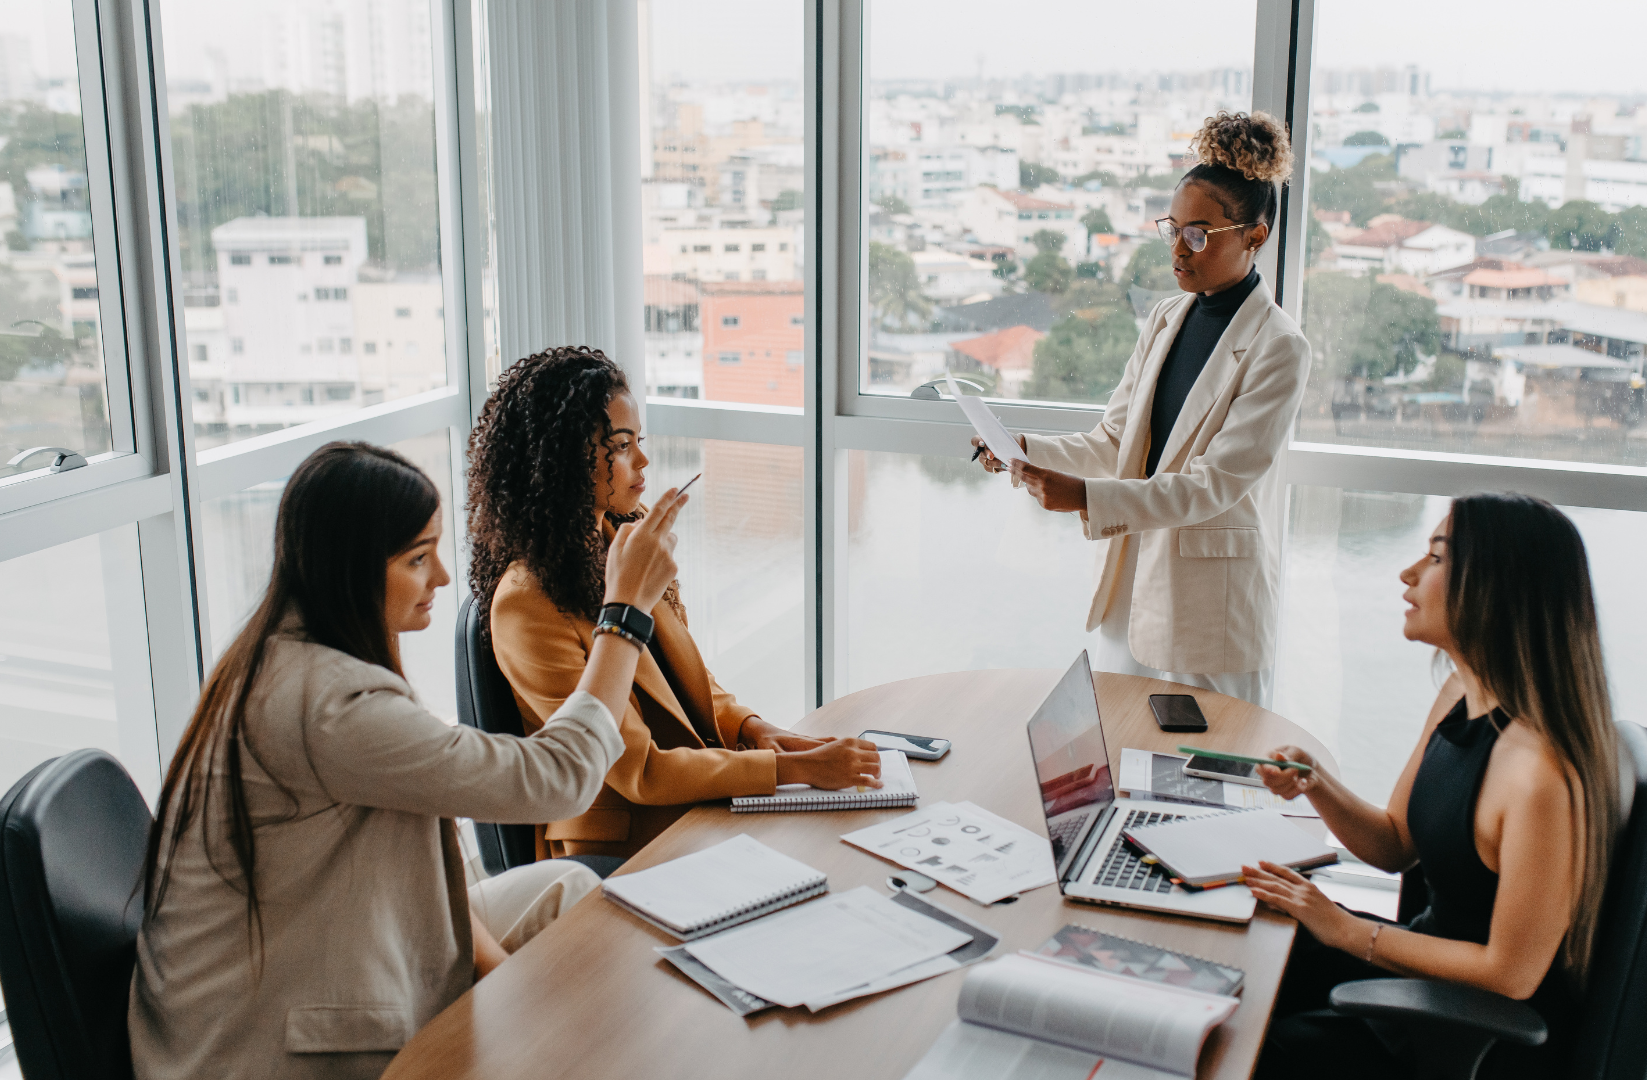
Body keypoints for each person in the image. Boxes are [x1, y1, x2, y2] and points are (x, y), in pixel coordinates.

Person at [130, 441, 688, 1079]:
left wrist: (516, 991)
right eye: (419, 558)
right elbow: (559, 780)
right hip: (261, 1041)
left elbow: (433, 865)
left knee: (569, 890)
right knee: (575, 964)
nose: (443, 578)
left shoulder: (293, 649)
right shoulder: (329, 707)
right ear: (353, 569)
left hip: (321, 943)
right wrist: (623, 616)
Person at [1241, 493, 1624, 1079]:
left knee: (1247, 1046)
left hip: (1469, 1025)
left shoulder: (1540, 776)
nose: (1409, 573)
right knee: (1248, 953)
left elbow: (1511, 973)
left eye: (1436, 558)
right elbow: (1394, 843)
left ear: (1494, 587)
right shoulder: (1460, 696)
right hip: (1419, 970)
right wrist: (1316, 783)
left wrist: (1347, 930)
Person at [467, 345, 881, 862]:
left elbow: (686, 681)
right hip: (618, 849)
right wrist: (793, 770)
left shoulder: (622, 537)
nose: (642, 460)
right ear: (559, 460)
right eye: (619, 446)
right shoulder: (526, 605)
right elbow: (640, 772)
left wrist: (755, 730)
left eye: (639, 440)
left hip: (687, 807)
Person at [975, 111, 1310, 705]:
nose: (1179, 250)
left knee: (1207, 780)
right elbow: (1113, 441)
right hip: (1131, 589)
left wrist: (1081, 496)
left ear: (1254, 236)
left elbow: (1211, 487)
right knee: (1119, 755)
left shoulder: (1279, 346)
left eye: (1200, 234)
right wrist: (1024, 449)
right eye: (1173, 229)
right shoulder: (1166, 316)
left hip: (1212, 611)